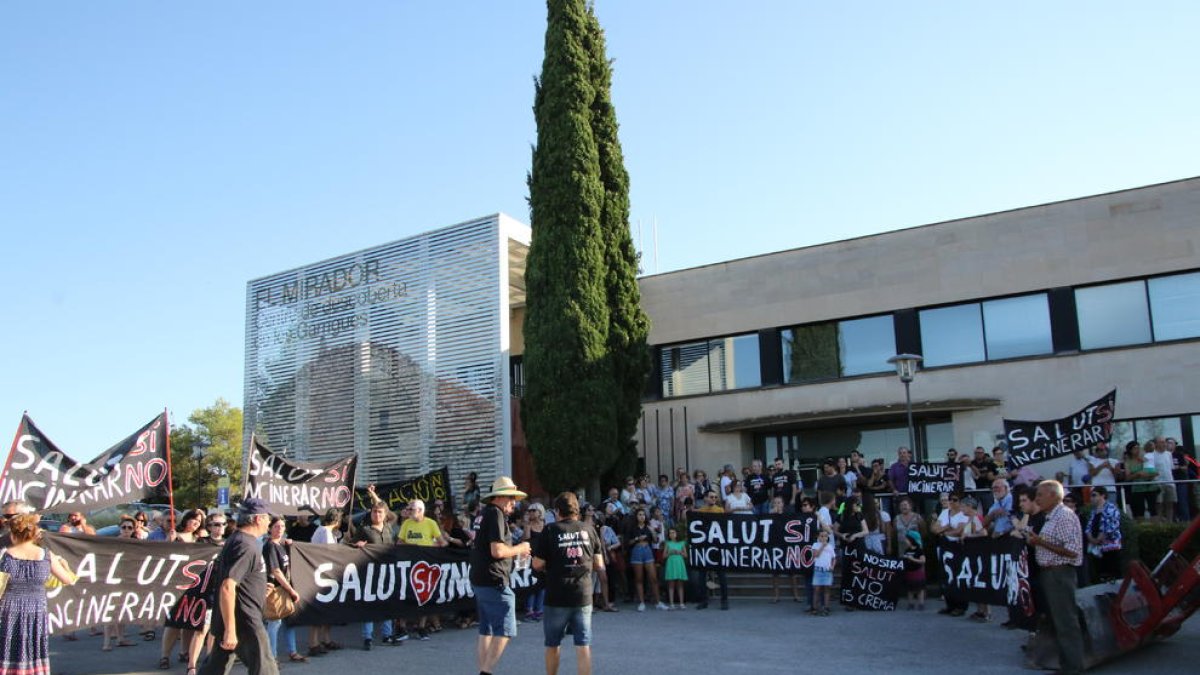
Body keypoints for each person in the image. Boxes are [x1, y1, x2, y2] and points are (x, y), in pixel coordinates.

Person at [197, 498, 278, 675]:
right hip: (245, 621)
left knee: (215, 668)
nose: (269, 522)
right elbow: (227, 587)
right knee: (266, 670)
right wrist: (230, 630)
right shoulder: (245, 545)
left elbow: (239, 581)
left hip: (237, 617)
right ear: (258, 519)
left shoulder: (239, 540)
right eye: (268, 518)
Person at [532, 492, 605, 675]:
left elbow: (537, 564)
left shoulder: (550, 530)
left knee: (553, 644)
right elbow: (599, 565)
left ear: (557, 511)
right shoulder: (589, 529)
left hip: (557, 595)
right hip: (583, 594)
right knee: (583, 645)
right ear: (577, 510)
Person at [0, 513, 76, 675]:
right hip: (36, 609)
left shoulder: (4, 555)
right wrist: (66, 565)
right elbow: (68, 580)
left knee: (8, 646)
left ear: (13, 535)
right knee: (33, 645)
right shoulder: (46, 555)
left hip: (8, 608)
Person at [470, 476, 532, 675]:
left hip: (481, 579)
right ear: (498, 497)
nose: (514, 501)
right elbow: (497, 551)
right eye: (510, 497)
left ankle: (483, 670)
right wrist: (520, 548)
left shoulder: (486, 513)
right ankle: (485, 672)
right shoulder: (495, 513)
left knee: (486, 630)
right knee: (505, 630)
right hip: (493, 580)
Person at [1027, 481, 1084, 675]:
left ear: (1053, 495)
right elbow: (1052, 545)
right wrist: (1037, 542)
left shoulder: (1065, 517)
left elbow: (1072, 551)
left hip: (1059, 574)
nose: (1037, 499)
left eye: (1040, 495)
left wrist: (1040, 542)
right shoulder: (1051, 517)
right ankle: (1065, 663)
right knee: (1057, 620)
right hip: (1049, 573)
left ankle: (1073, 667)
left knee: (1066, 621)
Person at [399, 499, 447, 639]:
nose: (408, 512)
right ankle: (402, 628)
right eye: (408, 509)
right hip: (409, 565)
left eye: (411, 509)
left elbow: (442, 543)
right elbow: (399, 542)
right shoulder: (406, 523)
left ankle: (422, 627)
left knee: (424, 596)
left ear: (420, 510)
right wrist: (411, 548)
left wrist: (429, 549)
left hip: (425, 566)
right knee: (405, 596)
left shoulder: (431, 523)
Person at [264, 516, 307, 664]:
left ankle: (292, 651)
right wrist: (291, 590)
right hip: (275, 588)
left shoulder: (280, 545)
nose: (280, 529)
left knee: (289, 620)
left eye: (282, 526)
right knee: (274, 623)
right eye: (276, 526)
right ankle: (272, 657)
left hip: (284, 588)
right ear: (269, 528)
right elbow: (276, 571)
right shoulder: (270, 546)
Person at [354, 501, 397, 649]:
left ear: (385, 515)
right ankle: (367, 637)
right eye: (374, 512)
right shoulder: (364, 529)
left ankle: (387, 635)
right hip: (370, 571)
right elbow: (351, 546)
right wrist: (358, 545)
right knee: (370, 604)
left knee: (387, 603)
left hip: (387, 570)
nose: (377, 514)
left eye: (380, 512)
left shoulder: (388, 528)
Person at [624, 508, 666, 611]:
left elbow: (656, 541)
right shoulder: (632, 528)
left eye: (643, 514)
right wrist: (637, 539)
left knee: (653, 578)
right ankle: (641, 602)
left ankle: (658, 601)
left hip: (647, 550)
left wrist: (653, 532)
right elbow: (627, 542)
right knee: (639, 578)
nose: (642, 516)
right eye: (639, 514)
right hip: (637, 550)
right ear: (636, 516)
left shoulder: (648, 527)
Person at [1085, 486, 1122, 581]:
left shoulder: (1111, 508)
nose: (1091, 498)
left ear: (1103, 495)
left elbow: (1110, 527)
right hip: (1096, 548)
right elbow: (1089, 526)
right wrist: (1091, 538)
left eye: (1094, 495)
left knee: (1111, 572)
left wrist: (1099, 539)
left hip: (1110, 546)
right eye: (1091, 496)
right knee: (1100, 572)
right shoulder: (1094, 511)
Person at [1125, 442, 1159, 520]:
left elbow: (1156, 472)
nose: (1137, 450)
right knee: (1139, 511)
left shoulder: (1146, 458)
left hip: (1150, 487)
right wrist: (1138, 474)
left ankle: (1157, 528)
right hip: (1137, 489)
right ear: (1130, 450)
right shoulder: (1128, 462)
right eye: (1135, 448)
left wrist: (1148, 474)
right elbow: (1127, 478)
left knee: (1153, 510)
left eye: (1138, 448)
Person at [811, 530, 836, 616]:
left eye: (825, 536)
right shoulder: (815, 545)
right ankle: (815, 607)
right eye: (821, 536)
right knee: (816, 590)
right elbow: (816, 555)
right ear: (818, 537)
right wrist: (822, 546)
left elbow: (833, 558)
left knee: (827, 590)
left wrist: (832, 566)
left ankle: (826, 607)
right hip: (818, 570)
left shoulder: (830, 546)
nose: (823, 538)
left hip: (827, 570)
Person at [663, 525, 688, 609]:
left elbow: (685, 555)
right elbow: (664, 556)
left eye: (673, 532)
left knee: (680, 585)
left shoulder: (681, 543)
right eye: (670, 533)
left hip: (679, 563)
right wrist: (670, 553)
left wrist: (679, 552)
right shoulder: (667, 543)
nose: (671, 534)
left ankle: (681, 603)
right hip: (671, 564)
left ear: (677, 533)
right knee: (671, 585)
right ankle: (671, 603)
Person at [900, 531, 926, 610]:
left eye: (907, 539)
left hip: (917, 571)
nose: (906, 541)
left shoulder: (919, 550)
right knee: (910, 589)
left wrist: (913, 559)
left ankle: (921, 603)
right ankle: (910, 603)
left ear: (912, 540)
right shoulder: (907, 550)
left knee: (919, 589)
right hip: (909, 571)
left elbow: (923, 561)